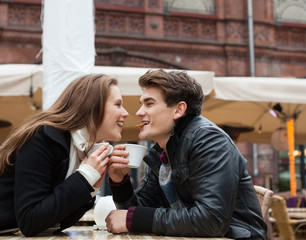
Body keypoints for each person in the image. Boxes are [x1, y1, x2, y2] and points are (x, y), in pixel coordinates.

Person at [106, 69, 267, 239]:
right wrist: (120, 182)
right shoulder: (162, 153)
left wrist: (135, 218)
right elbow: (135, 213)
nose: (138, 112)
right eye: (141, 104)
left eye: (149, 103)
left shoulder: (209, 141)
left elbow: (211, 221)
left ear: (178, 110)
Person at [0, 74, 129, 236]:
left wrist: (90, 188)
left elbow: (54, 223)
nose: (125, 113)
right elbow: (30, 221)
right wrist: (84, 178)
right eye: (118, 104)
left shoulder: (76, 148)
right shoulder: (44, 137)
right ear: (93, 107)